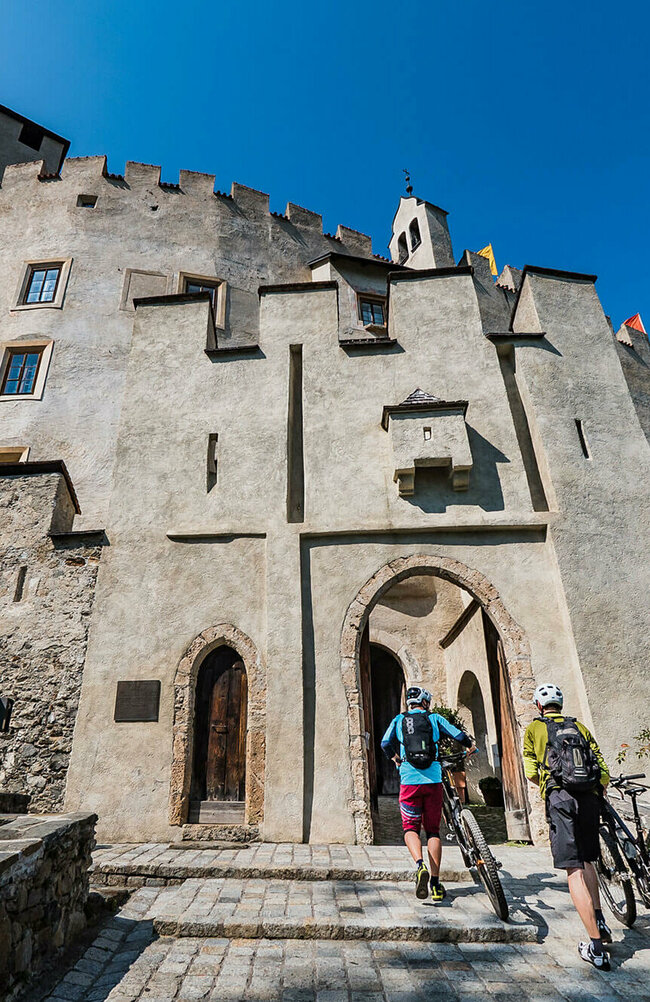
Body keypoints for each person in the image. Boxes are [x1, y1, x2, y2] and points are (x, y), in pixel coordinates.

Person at [523, 682, 612, 971]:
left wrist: (549, 789)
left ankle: (596, 947)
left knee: (573, 868)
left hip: (560, 797)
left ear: (539, 705)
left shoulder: (534, 729)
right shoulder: (580, 727)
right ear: (561, 705)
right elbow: (602, 768)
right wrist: (596, 789)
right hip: (588, 797)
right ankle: (599, 918)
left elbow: (531, 773)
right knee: (588, 861)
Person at [381, 685, 476, 902]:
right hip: (433, 780)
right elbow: (458, 734)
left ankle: (419, 864)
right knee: (433, 831)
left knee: (410, 828)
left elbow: (385, 743)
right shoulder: (434, 719)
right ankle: (434, 883)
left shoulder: (398, 720)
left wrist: (396, 759)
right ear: (425, 702)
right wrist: (470, 746)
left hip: (409, 782)